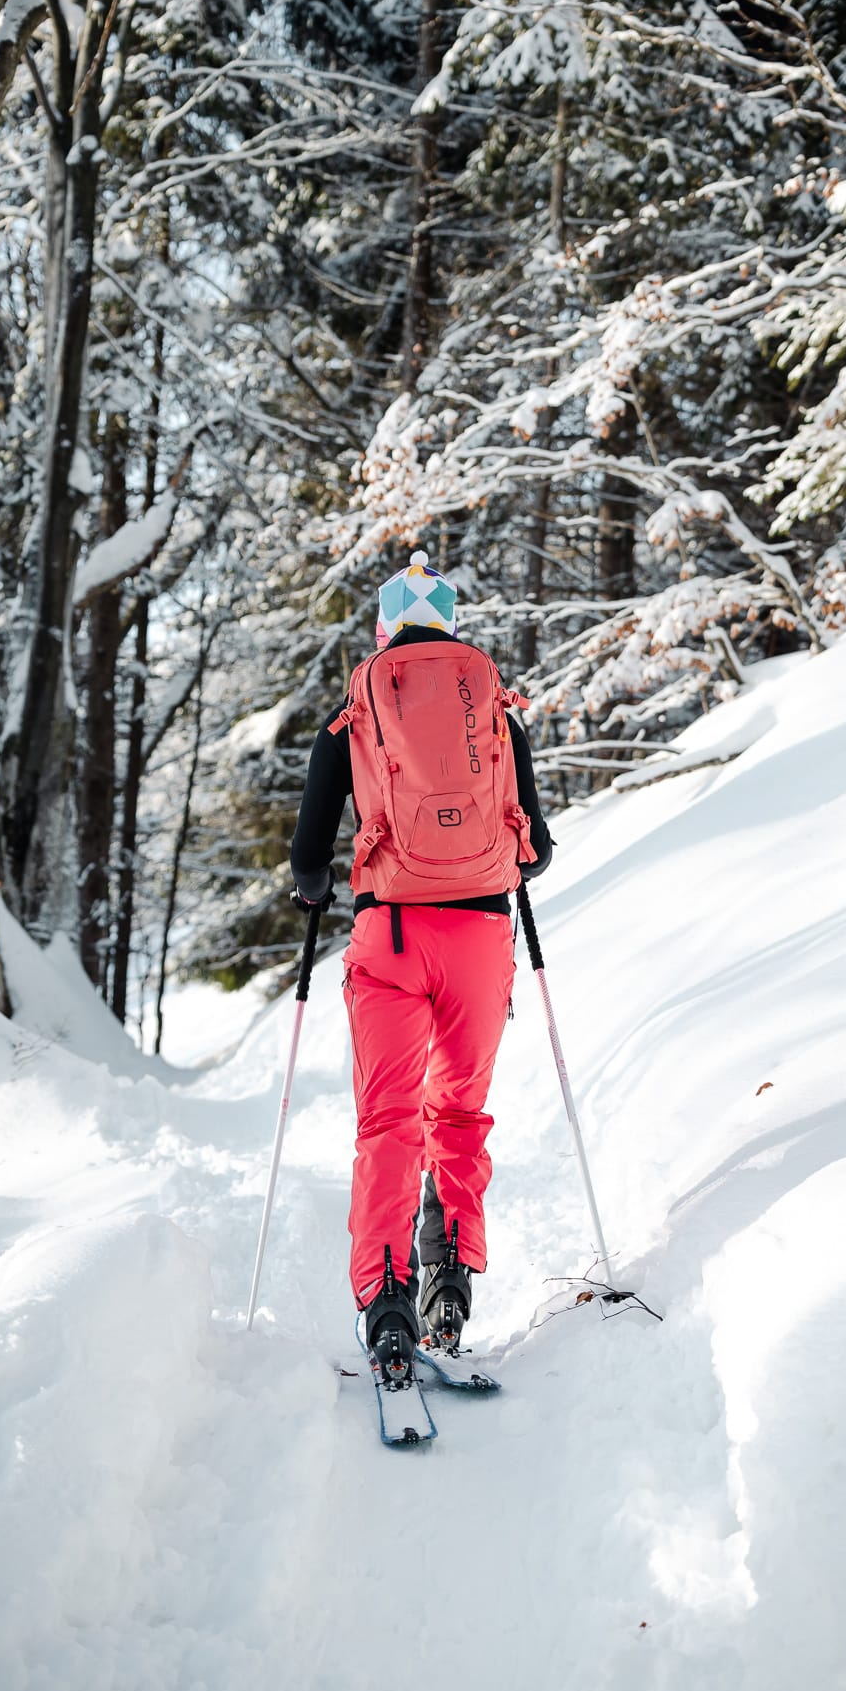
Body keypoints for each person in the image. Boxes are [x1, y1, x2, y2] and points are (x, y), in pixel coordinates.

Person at [290, 551, 553, 1385]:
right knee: (458, 1115)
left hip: (392, 935)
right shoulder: (492, 711)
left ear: (384, 630)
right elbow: (536, 850)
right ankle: (450, 1280)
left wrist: (317, 886)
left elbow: (307, 856)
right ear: (449, 625)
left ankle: (385, 1298)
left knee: (388, 1121)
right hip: (481, 937)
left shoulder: (354, 712)